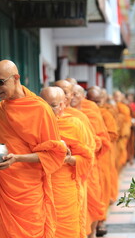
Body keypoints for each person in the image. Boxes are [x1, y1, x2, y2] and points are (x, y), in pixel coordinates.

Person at [0, 60, 67, 238]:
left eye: (1, 82)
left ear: (16, 78)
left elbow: (54, 153)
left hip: (29, 189)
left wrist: (18, 158)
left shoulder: (41, 109)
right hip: (5, 188)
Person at [40, 87, 94, 238]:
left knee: (67, 229)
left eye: (53, 105)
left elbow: (88, 157)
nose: (48, 110)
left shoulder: (75, 124)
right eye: (44, 105)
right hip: (38, 184)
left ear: (63, 104)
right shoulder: (33, 125)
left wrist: (68, 159)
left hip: (64, 185)